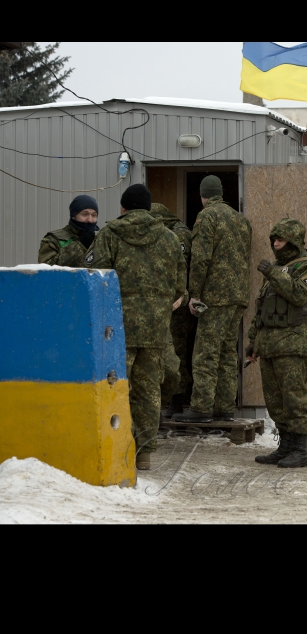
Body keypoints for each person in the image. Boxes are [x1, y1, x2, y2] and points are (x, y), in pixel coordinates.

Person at [88, 185, 186, 471]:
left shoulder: (109, 235)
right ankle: (144, 454)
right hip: (156, 328)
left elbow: (95, 276)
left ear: (123, 208)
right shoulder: (169, 238)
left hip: (117, 328)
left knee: (115, 386)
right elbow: (180, 286)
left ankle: (115, 447)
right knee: (148, 391)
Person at [247, 219, 307, 469]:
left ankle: (300, 451)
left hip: (292, 343)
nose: (275, 244)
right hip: (269, 344)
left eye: (280, 240)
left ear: (292, 241)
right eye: (273, 240)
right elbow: (262, 309)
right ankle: (285, 448)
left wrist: (271, 273)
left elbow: (298, 294)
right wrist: (253, 340)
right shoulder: (276, 270)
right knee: (275, 399)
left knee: (293, 398)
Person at [173, 175, 252, 424]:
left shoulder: (206, 216)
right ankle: (224, 407)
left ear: (202, 195)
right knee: (228, 353)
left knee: (206, 351)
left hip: (215, 297)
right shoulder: (241, 220)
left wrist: (193, 293)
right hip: (238, 296)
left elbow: (201, 258)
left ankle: (201, 407)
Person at [150, 203, 195, 418]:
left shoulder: (178, 236)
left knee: (176, 352)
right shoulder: (172, 233)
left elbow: (179, 268)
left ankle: (177, 400)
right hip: (171, 303)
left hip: (178, 305)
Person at [38, 195, 100, 267]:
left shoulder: (100, 241)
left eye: (94, 215)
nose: (90, 220)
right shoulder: (53, 240)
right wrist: (79, 246)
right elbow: (47, 268)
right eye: (85, 214)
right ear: (73, 215)